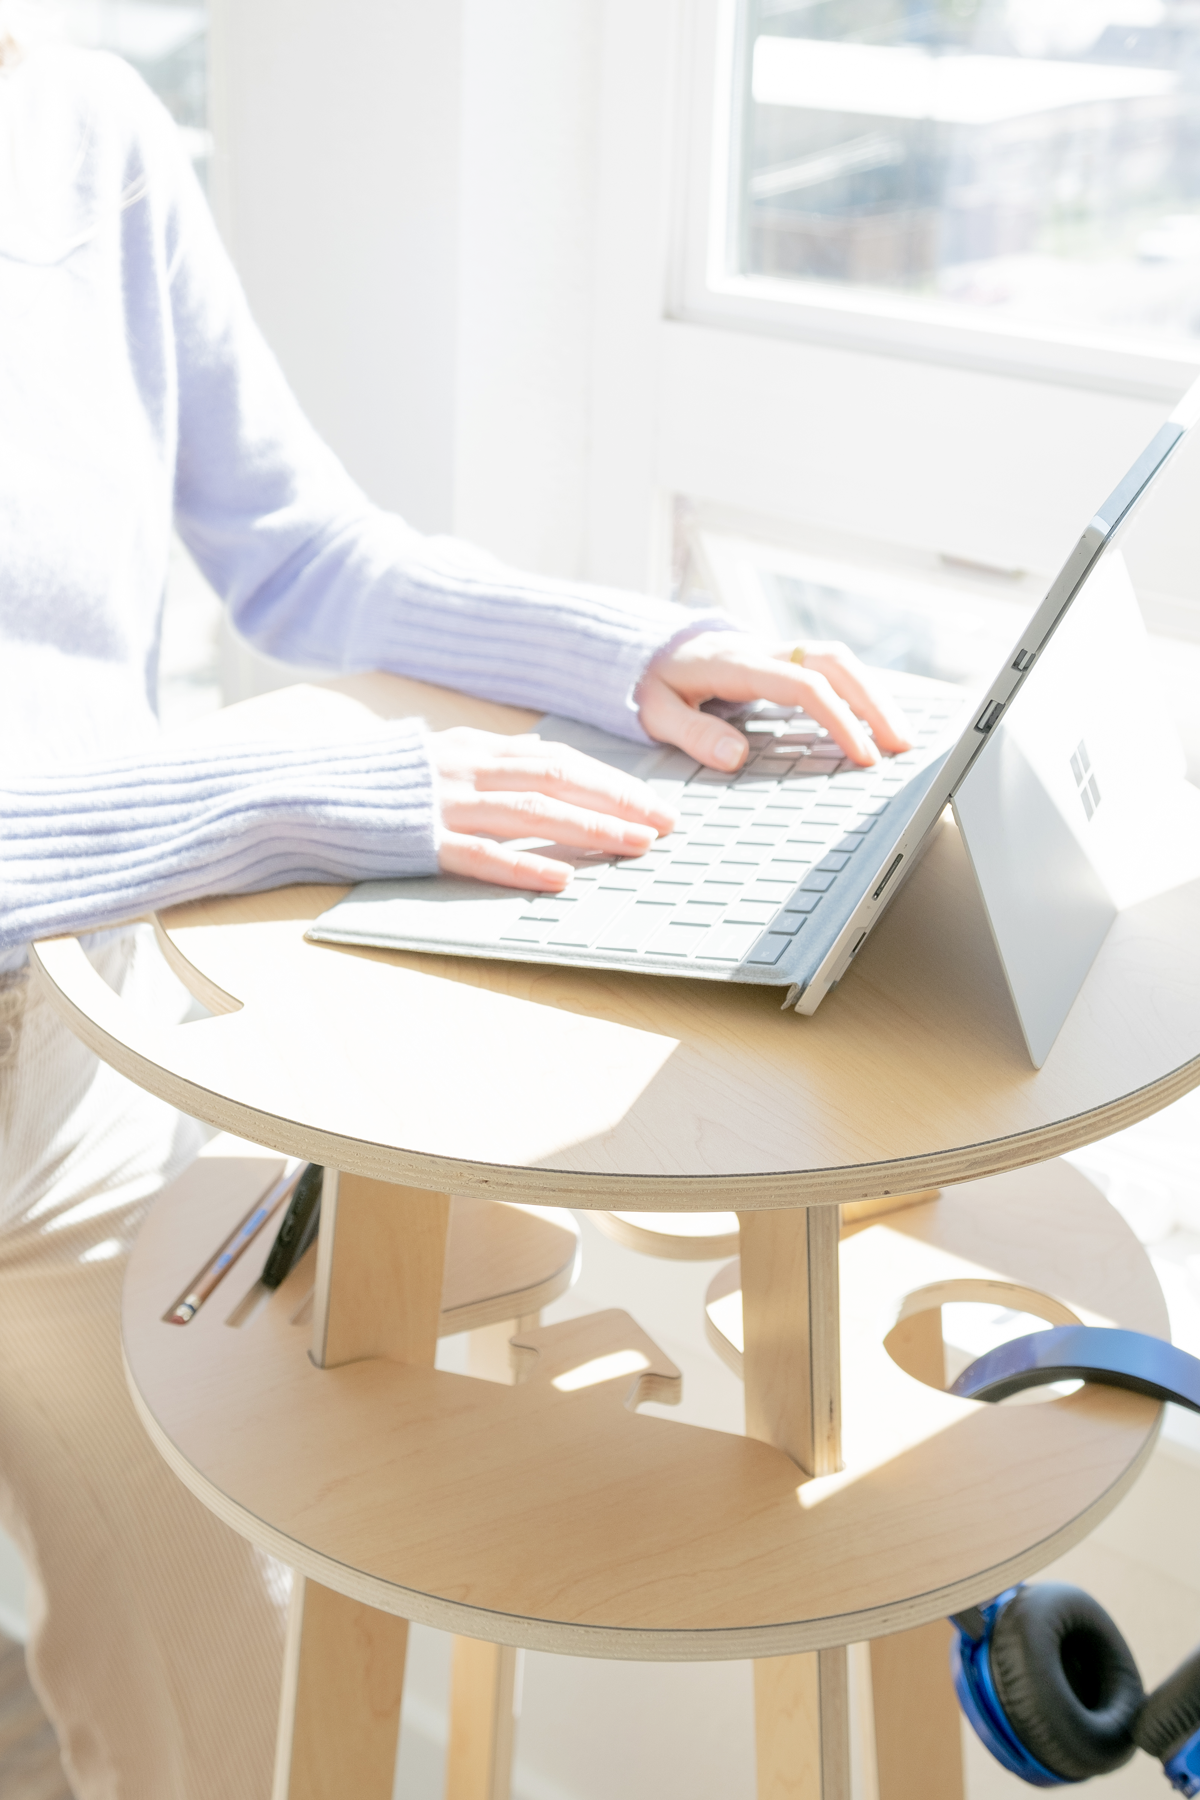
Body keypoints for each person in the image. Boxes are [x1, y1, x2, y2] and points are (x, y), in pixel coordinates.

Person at [0, 28, 910, 1800]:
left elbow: (296, 544)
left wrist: (629, 651)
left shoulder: (76, 117)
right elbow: (258, 786)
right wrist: (268, 796)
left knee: (215, 1677)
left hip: (61, 1054)